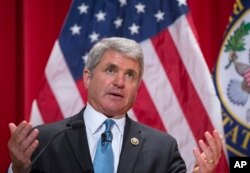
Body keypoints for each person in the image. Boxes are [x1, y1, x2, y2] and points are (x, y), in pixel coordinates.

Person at [8, 37, 223, 173]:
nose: (120, 82)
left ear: (138, 87)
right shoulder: (43, 141)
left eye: (130, 75)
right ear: (87, 78)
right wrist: (19, 169)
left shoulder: (162, 148)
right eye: (110, 70)